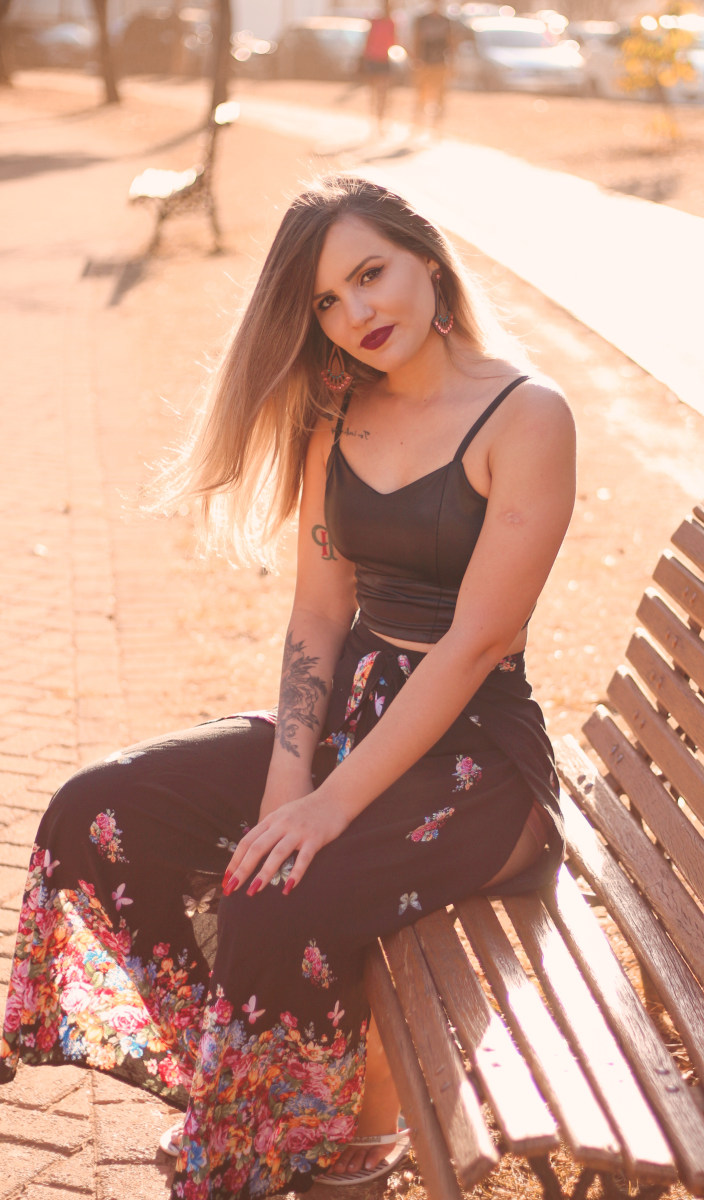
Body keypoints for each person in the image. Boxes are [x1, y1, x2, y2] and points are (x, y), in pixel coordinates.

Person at [0, 175, 576, 1199]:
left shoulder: (524, 415)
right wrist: (285, 779)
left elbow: (473, 644)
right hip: (355, 725)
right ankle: (259, 1093)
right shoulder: (337, 415)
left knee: (276, 890)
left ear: (426, 264)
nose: (357, 312)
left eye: (369, 274)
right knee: (96, 809)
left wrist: (324, 806)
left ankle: (298, 1136)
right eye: (325, 300)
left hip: (479, 763)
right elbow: (317, 617)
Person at [412, 0, 456, 131]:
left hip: (440, 62)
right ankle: (418, 122)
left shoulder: (446, 21)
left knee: (440, 95)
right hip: (425, 62)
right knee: (422, 92)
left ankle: (437, 125)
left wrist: (452, 62)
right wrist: (416, 59)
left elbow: (450, 41)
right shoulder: (422, 20)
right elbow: (417, 40)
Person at [361, 0, 397, 135]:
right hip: (374, 60)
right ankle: (375, 121)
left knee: (382, 93)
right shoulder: (377, 22)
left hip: (383, 60)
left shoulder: (390, 23)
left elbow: (394, 42)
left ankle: (380, 121)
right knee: (375, 93)